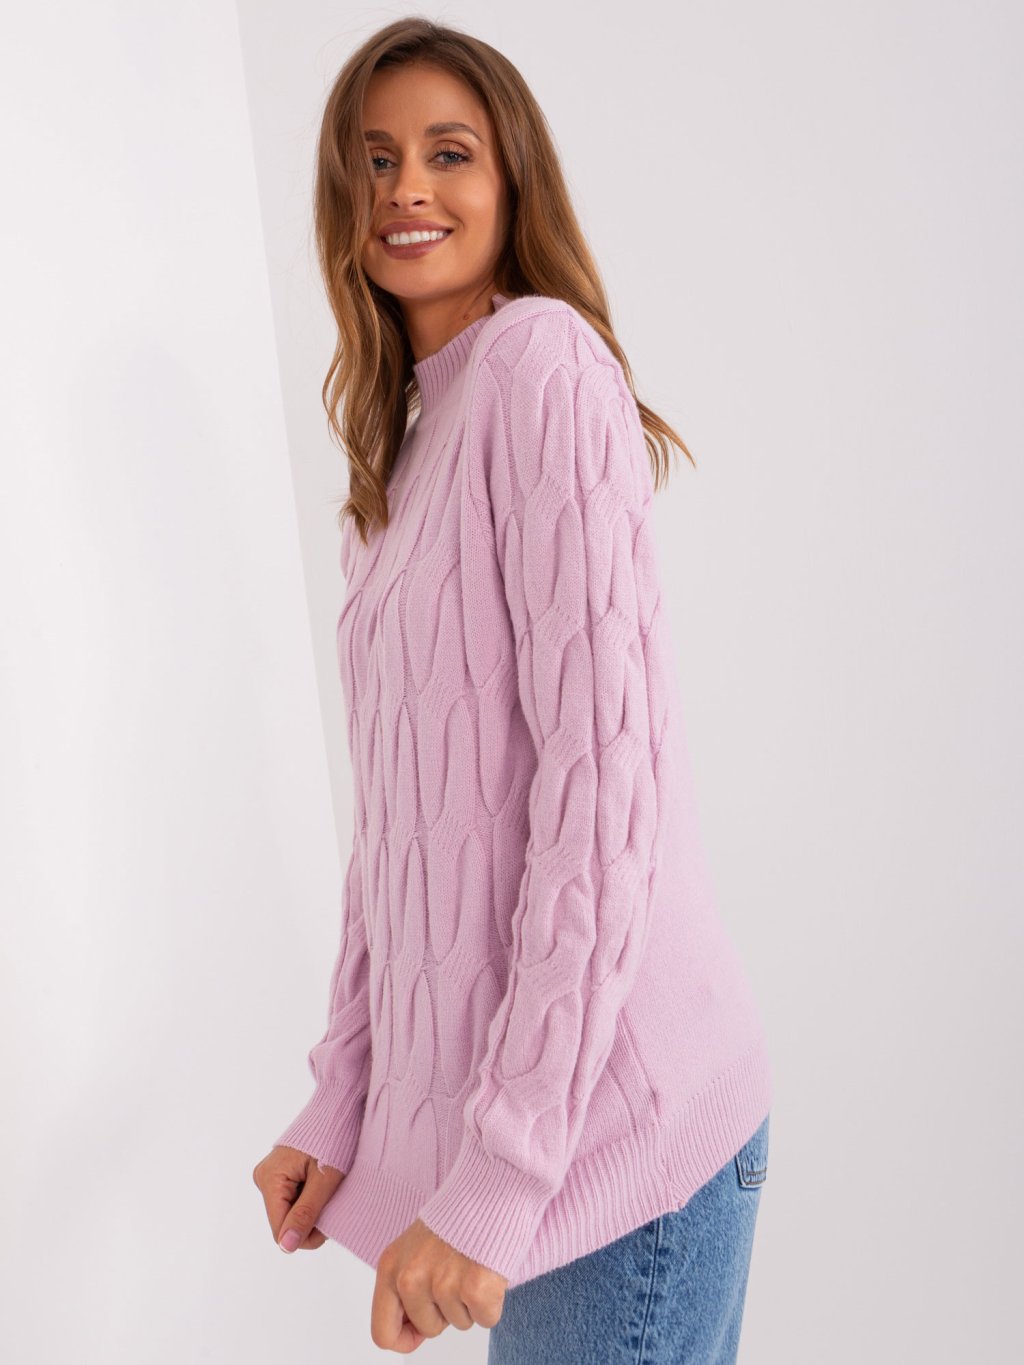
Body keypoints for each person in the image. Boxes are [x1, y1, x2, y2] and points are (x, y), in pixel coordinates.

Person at [252, 17, 774, 1361]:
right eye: (374, 160)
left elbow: (602, 801)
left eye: (448, 153)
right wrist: (342, 1101)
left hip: (620, 1144)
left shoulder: (542, 364)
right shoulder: (410, 452)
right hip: (540, 1153)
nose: (405, 189)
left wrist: (497, 1173)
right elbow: (406, 837)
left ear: (512, 180)